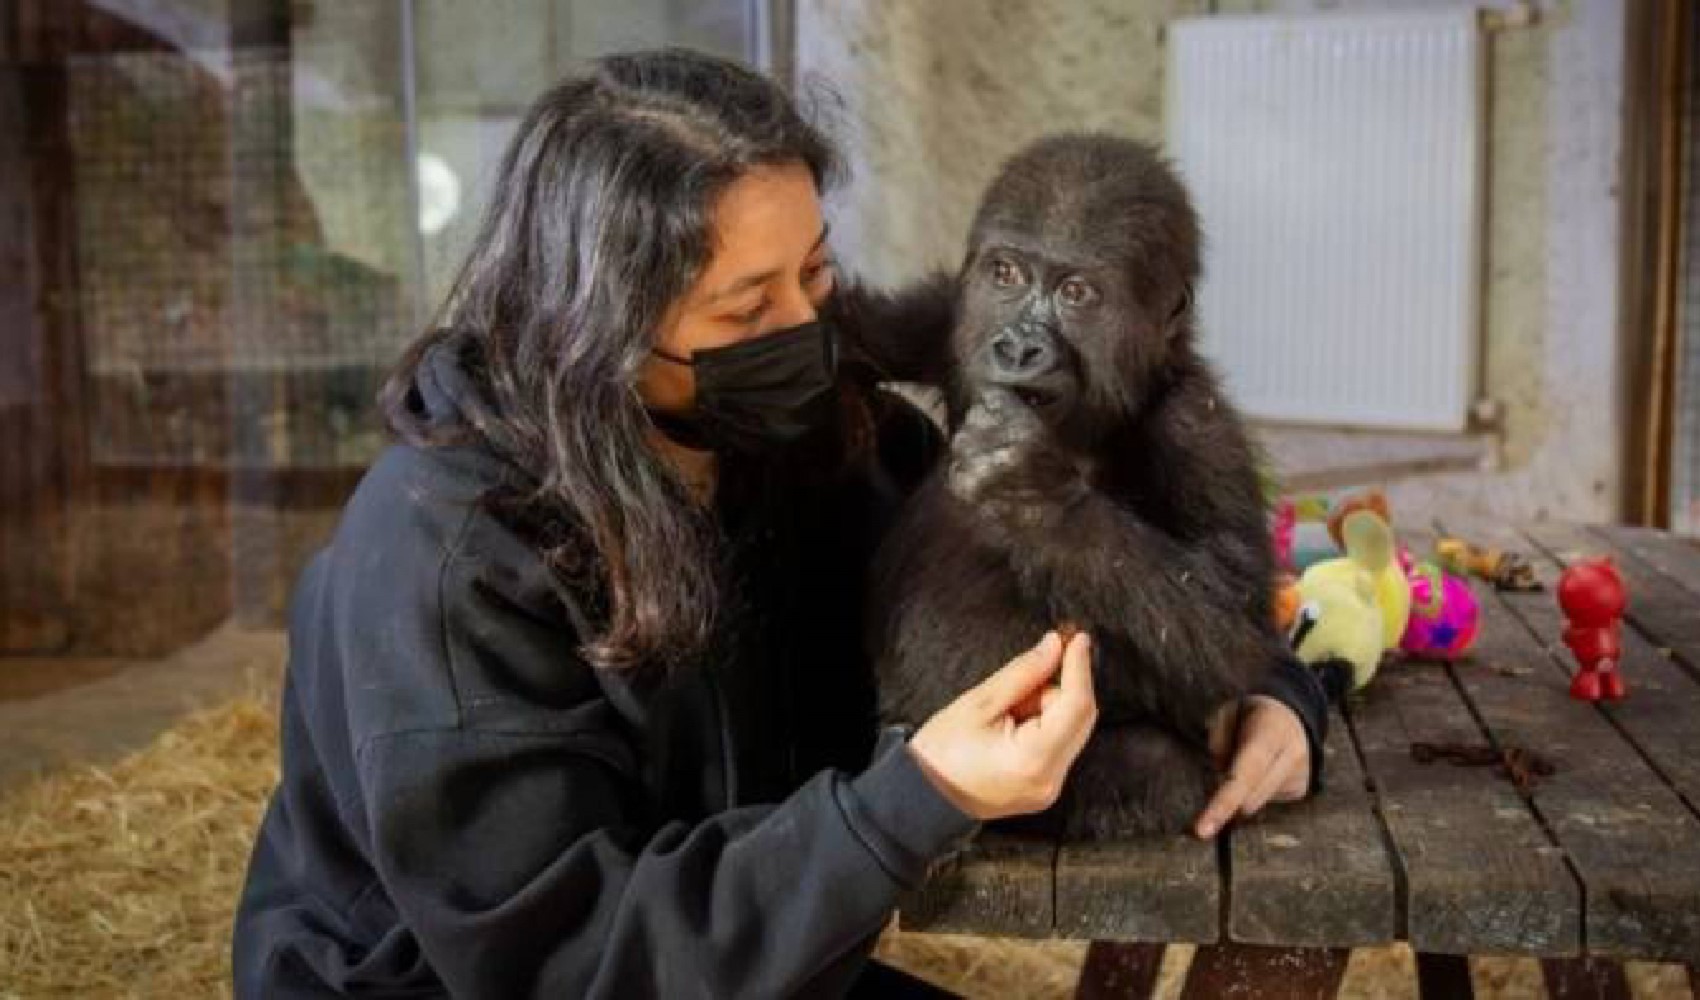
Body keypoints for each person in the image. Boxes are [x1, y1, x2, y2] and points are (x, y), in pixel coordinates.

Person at [231, 48, 1326, 999]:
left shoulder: (802, 446)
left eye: (816, 276)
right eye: (749, 309)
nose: (812, 334)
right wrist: (916, 799)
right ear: (597, 325)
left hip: (726, 965)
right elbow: (559, 961)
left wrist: (1271, 698)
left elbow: (1145, 595)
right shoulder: (447, 561)